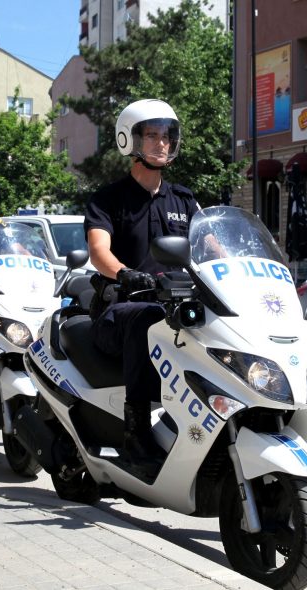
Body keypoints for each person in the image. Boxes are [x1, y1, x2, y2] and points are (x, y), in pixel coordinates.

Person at [84, 99, 203, 473]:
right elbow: (98, 251)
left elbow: (210, 246)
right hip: (119, 309)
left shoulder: (184, 200)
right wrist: (123, 273)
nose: (161, 143)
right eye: (151, 135)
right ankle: (136, 434)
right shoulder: (108, 199)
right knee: (146, 320)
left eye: (167, 136)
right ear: (128, 140)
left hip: (175, 307)